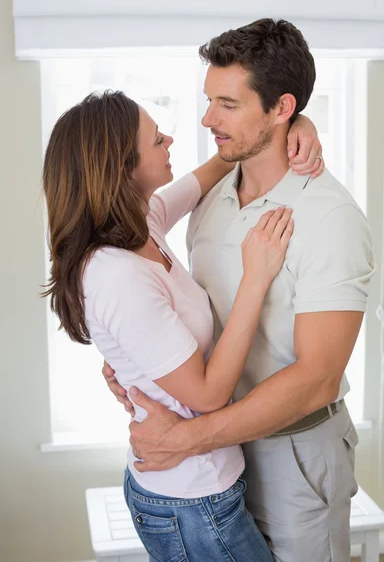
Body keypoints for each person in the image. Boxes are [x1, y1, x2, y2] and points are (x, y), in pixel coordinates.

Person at [104, 18, 375, 562]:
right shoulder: (209, 193)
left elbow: (317, 379)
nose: (207, 120)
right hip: (216, 463)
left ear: (280, 108)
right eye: (210, 100)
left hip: (293, 454)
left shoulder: (330, 217)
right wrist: (137, 362)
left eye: (227, 104)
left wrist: (187, 438)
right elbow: (187, 310)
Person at [42, 89, 323, 562]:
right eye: (156, 139)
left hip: (200, 487)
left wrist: (295, 126)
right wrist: (257, 276)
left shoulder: (141, 221)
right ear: (123, 167)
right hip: (193, 502)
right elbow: (209, 394)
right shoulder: (116, 273)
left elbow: (220, 164)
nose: (170, 139)